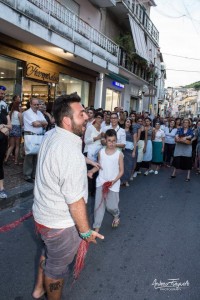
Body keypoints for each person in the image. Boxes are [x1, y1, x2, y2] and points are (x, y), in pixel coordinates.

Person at [32, 93, 104, 300]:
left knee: (48, 252)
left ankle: (38, 289)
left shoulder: (52, 134)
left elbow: (60, 160)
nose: (87, 117)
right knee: (56, 269)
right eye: (82, 114)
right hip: (60, 224)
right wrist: (85, 232)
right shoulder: (68, 151)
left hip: (42, 215)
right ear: (67, 120)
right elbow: (75, 202)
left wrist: (87, 161)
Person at [88, 129, 124, 232]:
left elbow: (121, 171)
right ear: (105, 140)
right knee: (98, 206)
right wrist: (91, 171)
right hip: (101, 182)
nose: (112, 143)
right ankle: (96, 228)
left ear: (116, 140)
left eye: (114, 141)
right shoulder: (101, 152)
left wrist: (114, 181)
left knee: (111, 206)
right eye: (109, 140)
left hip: (113, 184)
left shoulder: (119, 154)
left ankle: (116, 214)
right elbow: (99, 166)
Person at [23, 98, 48, 183]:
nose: (37, 106)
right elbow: (35, 124)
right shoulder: (27, 113)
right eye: (35, 104)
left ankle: (34, 174)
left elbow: (46, 123)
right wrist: (40, 123)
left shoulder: (40, 113)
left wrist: (39, 123)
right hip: (30, 136)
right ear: (30, 104)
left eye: (38, 104)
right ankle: (27, 175)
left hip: (39, 136)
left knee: (37, 156)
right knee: (29, 156)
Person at [0, 102, 12, 198]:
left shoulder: (4, 108)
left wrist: (3, 126)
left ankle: (1, 188)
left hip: (2, 142)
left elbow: (10, 126)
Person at [121, 118, 137, 186]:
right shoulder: (121, 130)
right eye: (127, 122)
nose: (128, 123)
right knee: (122, 166)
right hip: (122, 150)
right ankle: (122, 180)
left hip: (130, 151)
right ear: (125, 122)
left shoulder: (132, 131)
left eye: (129, 122)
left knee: (129, 166)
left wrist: (134, 151)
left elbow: (135, 142)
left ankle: (126, 180)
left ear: (131, 124)